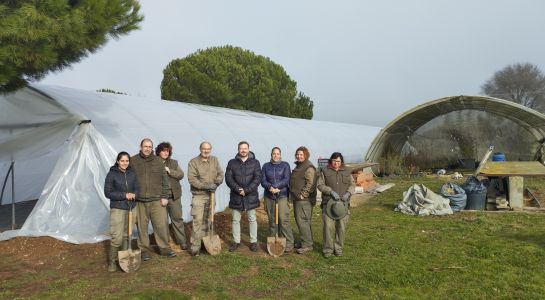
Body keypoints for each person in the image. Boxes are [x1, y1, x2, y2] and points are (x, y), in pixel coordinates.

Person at [132, 138, 176, 260]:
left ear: (152, 148)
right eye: (145, 146)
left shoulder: (158, 161)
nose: (147, 149)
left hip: (157, 200)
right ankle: (143, 250)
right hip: (140, 201)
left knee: (161, 225)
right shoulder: (133, 160)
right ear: (140, 147)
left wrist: (165, 196)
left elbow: (165, 180)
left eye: (150, 147)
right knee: (142, 227)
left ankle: (164, 248)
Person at [187, 141, 224, 256]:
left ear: (210, 149)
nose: (206, 151)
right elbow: (192, 179)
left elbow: (221, 174)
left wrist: (216, 183)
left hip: (211, 195)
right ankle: (195, 247)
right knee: (198, 221)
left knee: (208, 220)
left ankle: (205, 244)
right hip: (199, 196)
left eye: (208, 149)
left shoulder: (214, 160)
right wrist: (206, 186)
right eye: (204, 148)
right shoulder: (193, 162)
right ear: (200, 149)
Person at [104, 151, 138, 272]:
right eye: (122, 161)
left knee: (126, 235)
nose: (124, 163)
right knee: (117, 237)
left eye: (127, 161)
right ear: (118, 161)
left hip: (131, 208)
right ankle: (112, 262)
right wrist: (125, 195)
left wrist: (134, 194)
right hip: (118, 208)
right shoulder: (111, 174)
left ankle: (123, 260)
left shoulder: (132, 173)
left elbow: (137, 189)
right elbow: (108, 193)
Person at [225, 141, 262, 252]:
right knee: (236, 219)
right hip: (236, 195)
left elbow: (257, 178)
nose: (243, 150)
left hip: (250, 195)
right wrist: (237, 189)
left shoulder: (255, 162)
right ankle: (236, 241)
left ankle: (253, 242)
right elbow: (228, 178)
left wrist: (247, 190)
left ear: (249, 149)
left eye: (245, 148)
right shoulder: (232, 163)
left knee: (252, 218)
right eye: (241, 148)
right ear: (238, 149)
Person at [317, 152, 355, 258]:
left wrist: (348, 193)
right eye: (334, 161)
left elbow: (352, 184)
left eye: (338, 161)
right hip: (328, 205)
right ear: (331, 160)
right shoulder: (324, 170)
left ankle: (338, 249)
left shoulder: (347, 171)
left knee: (341, 228)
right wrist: (330, 191)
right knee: (328, 228)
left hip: (343, 205)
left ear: (341, 161)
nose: (336, 163)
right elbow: (320, 185)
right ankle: (328, 250)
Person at [261, 147, 294, 253]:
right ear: (271, 155)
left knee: (283, 219)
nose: (276, 155)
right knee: (272, 220)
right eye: (274, 153)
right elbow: (263, 180)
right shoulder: (266, 166)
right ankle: (272, 241)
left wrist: (276, 186)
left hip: (282, 196)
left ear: (280, 155)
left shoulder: (285, 165)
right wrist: (270, 187)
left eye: (278, 153)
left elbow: (286, 179)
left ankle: (288, 242)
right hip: (269, 196)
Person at [156, 142, 188, 252]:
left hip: (174, 196)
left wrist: (170, 171)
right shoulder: (154, 162)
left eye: (167, 151)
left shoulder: (174, 163)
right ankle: (165, 243)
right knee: (162, 221)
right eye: (163, 150)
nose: (165, 153)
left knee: (177, 219)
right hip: (160, 197)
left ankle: (181, 241)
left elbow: (181, 175)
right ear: (158, 151)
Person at [289, 146, 317, 254]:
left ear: (305, 155)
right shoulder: (300, 165)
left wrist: (303, 194)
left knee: (303, 222)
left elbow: (311, 183)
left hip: (304, 201)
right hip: (298, 199)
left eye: (301, 154)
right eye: (297, 154)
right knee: (301, 221)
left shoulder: (308, 167)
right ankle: (304, 241)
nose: (299, 156)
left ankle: (307, 245)